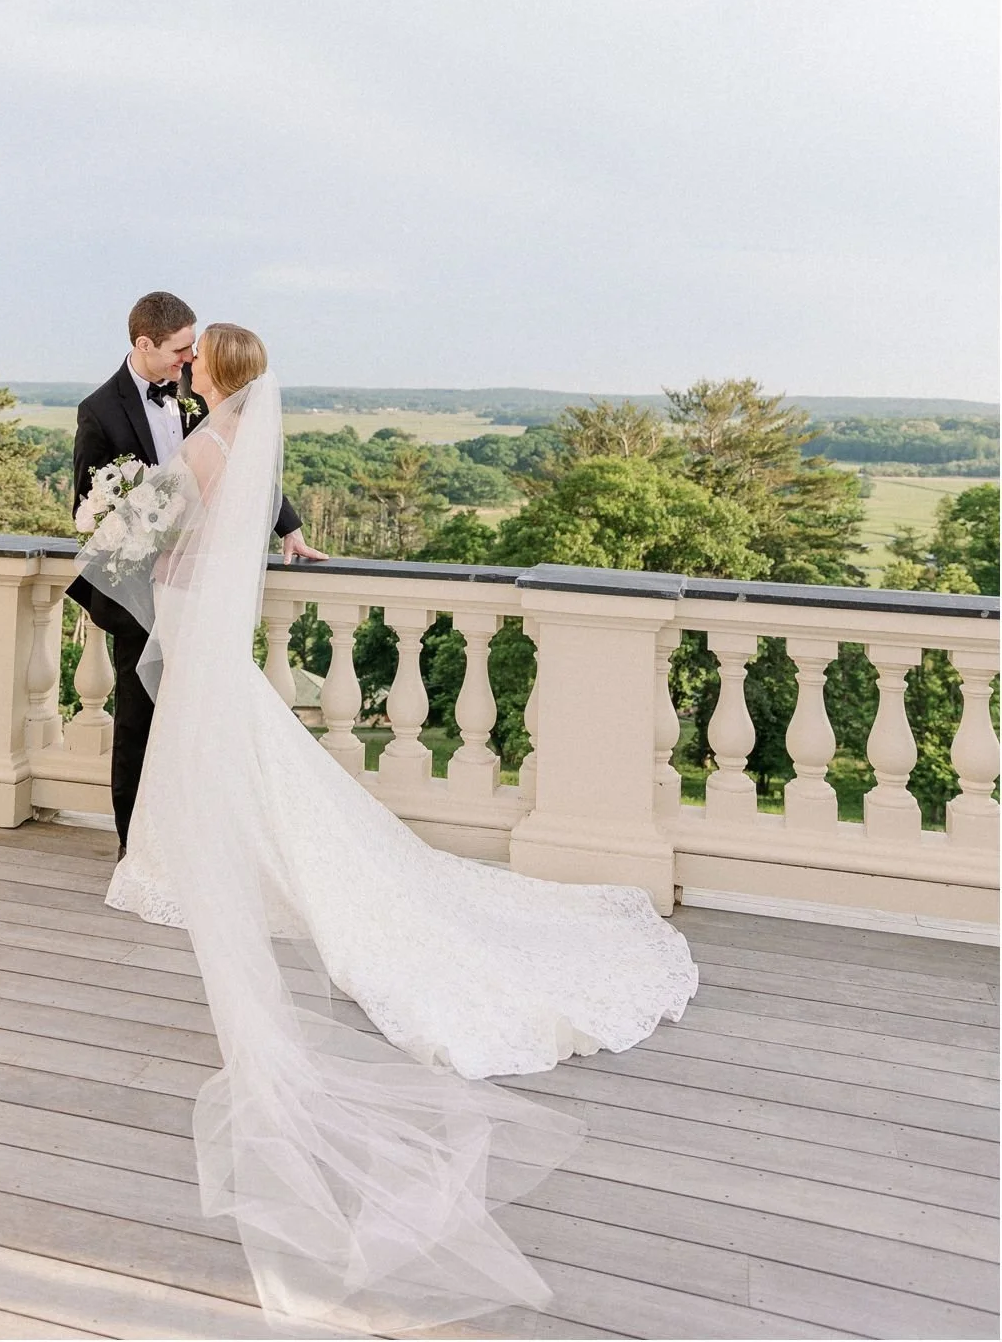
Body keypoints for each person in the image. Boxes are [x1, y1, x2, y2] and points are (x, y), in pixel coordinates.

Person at [74, 324, 699, 1336]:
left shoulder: (198, 444)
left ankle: (200, 860)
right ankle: (188, 854)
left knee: (228, 746)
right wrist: (270, 537)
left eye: (197, 359)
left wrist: (112, 525)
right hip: (209, 614)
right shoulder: (234, 437)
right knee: (235, 746)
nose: (184, 366)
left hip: (188, 609)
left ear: (216, 373)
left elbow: (157, 543)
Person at [65, 291, 324, 854]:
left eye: (194, 351)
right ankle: (135, 847)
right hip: (143, 592)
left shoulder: (200, 403)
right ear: (144, 344)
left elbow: (241, 466)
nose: (187, 361)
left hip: (186, 595)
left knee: (196, 725)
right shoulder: (99, 411)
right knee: (137, 725)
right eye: (181, 350)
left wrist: (290, 526)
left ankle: (192, 849)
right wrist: (121, 513)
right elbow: (87, 504)